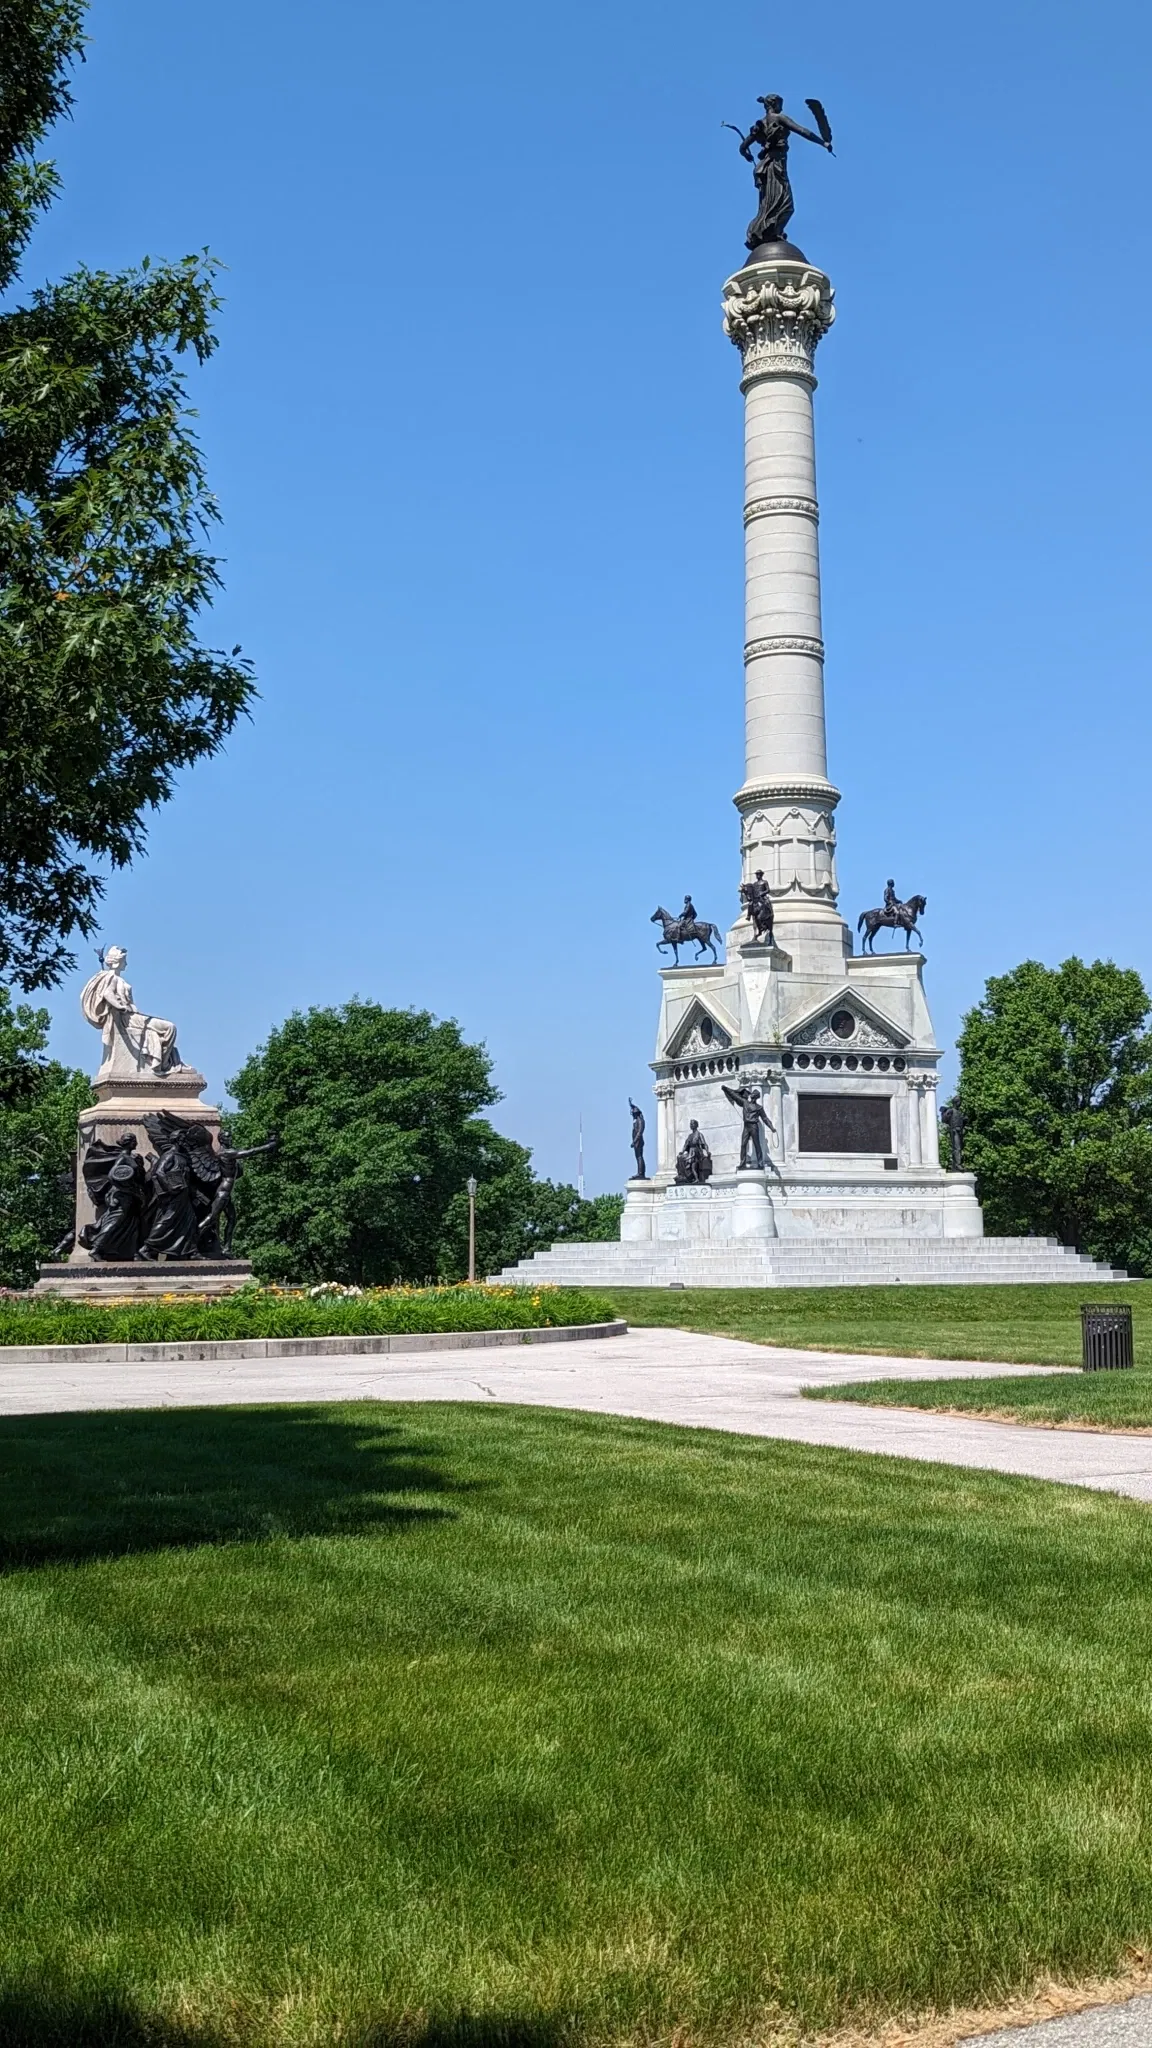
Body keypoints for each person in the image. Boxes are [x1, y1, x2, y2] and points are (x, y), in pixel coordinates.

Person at [739, 93, 832, 251]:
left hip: (765, 166)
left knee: (768, 202)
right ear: (774, 104)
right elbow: (802, 131)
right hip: (776, 165)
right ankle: (769, 231)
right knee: (785, 203)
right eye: (780, 104)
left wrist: (746, 153)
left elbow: (742, 147)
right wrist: (822, 142)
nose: (781, 107)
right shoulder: (779, 118)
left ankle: (766, 231)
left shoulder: (760, 124)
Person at [80, 946, 188, 1080]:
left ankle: (161, 1062)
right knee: (169, 1027)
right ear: (117, 961)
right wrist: (121, 1006)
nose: (126, 963)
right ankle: (163, 1064)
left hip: (134, 1016)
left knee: (167, 1029)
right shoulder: (111, 978)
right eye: (124, 960)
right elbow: (107, 994)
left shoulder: (119, 979)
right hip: (128, 1018)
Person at [722, 1080, 775, 1171]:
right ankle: (742, 1163)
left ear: (755, 1097)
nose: (751, 1096)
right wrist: (726, 1089)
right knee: (743, 1144)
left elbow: (765, 1119)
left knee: (757, 1145)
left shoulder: (759, 1108)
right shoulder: (745, 1103)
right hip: (746, 1126)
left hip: (754, 1126)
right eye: (751, 1095)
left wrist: (772, 1127)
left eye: (753, 1095)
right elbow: (734, 1096)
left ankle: (760, 1163)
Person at [675, 1119, 712, 1184]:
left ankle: (693, 1177)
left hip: (696, 1152)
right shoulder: (690, 1136)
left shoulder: (699, 1134)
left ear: (696, 1125)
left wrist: (707, 1151)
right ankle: (684, 1176)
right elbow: (686, 1145)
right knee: (680, 1157)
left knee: (690, 1161)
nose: (691, 1125)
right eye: (690, 1124)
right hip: (690, 1151)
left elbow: (704, 1144)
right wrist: (682, 1152)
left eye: (692, 1124)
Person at [628, 1100, 647, 1180]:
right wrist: (631, 1104)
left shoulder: (640, 1121)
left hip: (638, 1141)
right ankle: (640, 1172)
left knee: (639, 1157)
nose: (633, 1115)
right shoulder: (637, 1120)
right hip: (636, 1142)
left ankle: (640, 1173)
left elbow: (639, 1132)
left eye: (634, 1114)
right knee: (638, 1157)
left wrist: (634, 1141)